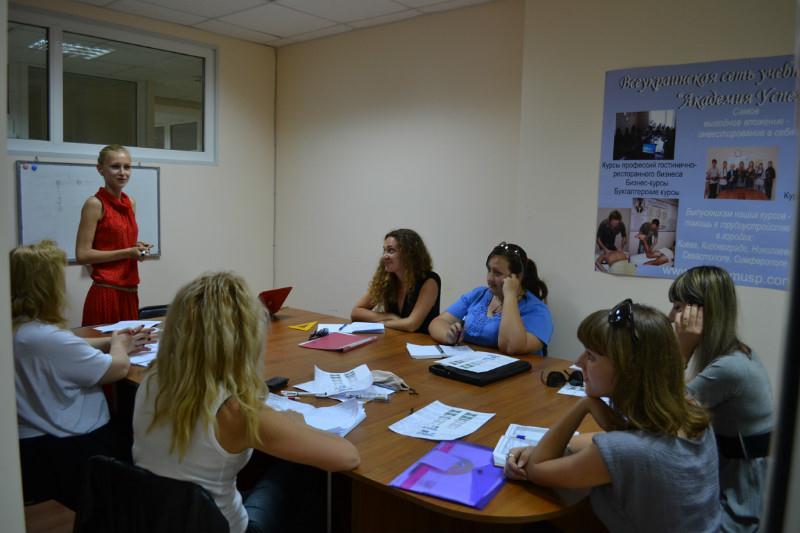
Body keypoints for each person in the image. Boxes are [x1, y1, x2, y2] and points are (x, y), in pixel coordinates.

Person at [133, 272, 360, 533]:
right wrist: (297, 425)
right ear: (243, 338)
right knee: (302, 470)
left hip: (156, 519)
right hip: (225, 527)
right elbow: (347, 457)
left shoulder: (151, 379)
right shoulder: (235, 411)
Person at [504, 301, 720, 532]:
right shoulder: (688, 408)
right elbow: (606, 442)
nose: (578, 363)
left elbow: (536, 467)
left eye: (591, 356)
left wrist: (585, 405)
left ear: (628, 369)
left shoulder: (626, 450)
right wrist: (558, 447)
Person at [12, 240, 152, 509]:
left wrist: (113, 340)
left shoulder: (22, 330)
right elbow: (118, 368)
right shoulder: (48, 339)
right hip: (76, 448)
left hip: (36, 446)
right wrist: (119, 346)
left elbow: (68, 345)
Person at [669, 266, 773, 532]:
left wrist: (683, 349)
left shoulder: (729, 368)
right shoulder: (736, 354)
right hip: (731, 482)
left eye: (678, 307)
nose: (671, 316)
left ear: (702, 313)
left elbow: (665, 414)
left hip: (740, 505)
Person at [429, 242, 552, 355]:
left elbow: (511, 347)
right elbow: (437, 323)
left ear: (517, 277)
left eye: (497, 273)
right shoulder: (478, 294)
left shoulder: (537, 310)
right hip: (470, 364)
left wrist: (510, 295)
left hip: (514, 371)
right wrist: (448, 335)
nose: (489, 278)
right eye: (489, 270)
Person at [76, 144, 153, 326]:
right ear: (100, 169)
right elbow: (82, 255)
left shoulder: (130, 202)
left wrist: (137, 248)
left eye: (127, 167)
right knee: (106, 344)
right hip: (106, 293)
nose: (122, 173)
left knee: (133, 344)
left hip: (130, 292)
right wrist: (127, 252)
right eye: (115, 166)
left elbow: (119, 243)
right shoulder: (95, 204)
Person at [351, 229, 441, 333]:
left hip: (420, 341)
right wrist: (388, 316)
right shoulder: (387, 278)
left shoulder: (429, 281)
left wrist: (379, 324)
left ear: (408, 255)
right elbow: (356, 312)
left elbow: (411, 325)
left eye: (391, 251)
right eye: (384, 251)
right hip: (395, 338)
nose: (385, 256)